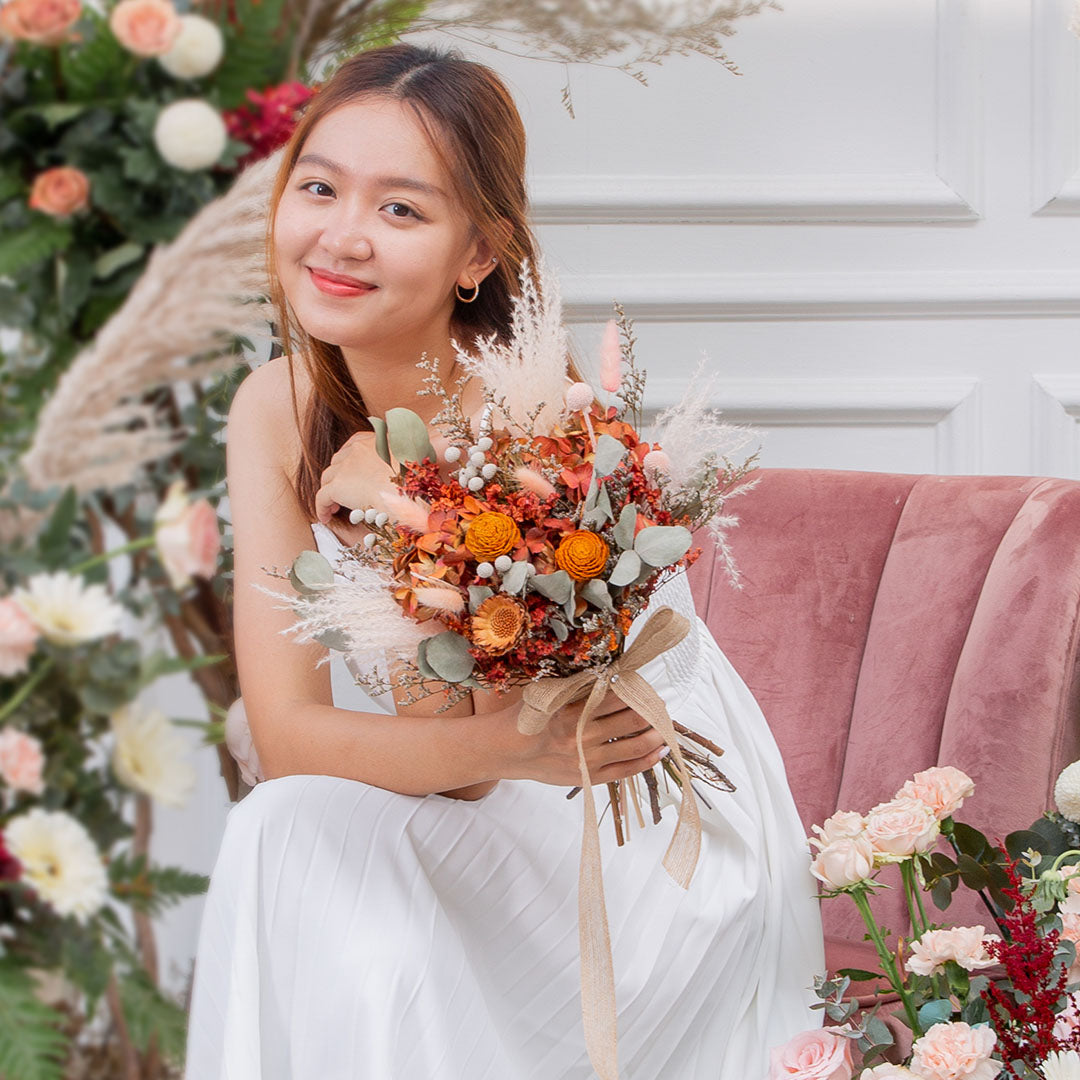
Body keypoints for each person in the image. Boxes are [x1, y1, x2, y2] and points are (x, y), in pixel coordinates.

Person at [184, 41, 824, 1080]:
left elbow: (483, 770)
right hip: (491, 778)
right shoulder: (273, 408)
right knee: (282, 828)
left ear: (477, 253)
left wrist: (401, 514)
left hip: (641, 838)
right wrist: (395, 518)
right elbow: (289, 736)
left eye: (400, 210)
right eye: (319, 187)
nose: (342, 235)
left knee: (333, 888)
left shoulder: (524, 412)